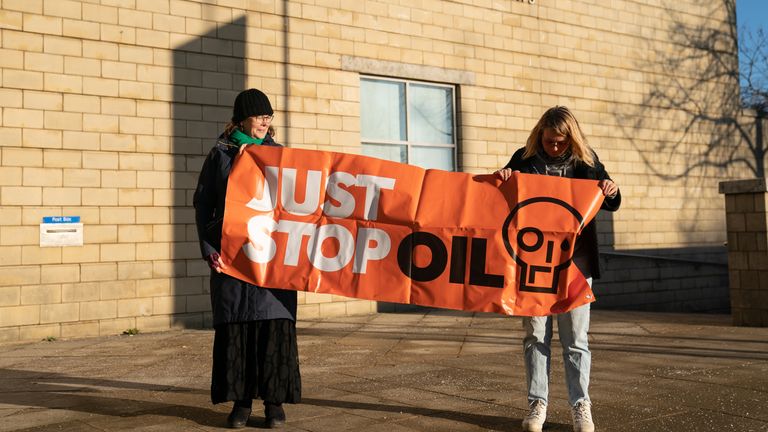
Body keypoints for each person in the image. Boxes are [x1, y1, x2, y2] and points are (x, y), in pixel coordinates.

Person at [495, 106, 621, 432]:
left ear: (571, 139)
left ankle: (581, 406)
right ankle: (538, 404)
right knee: (535, 335)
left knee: (576, 339)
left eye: (560, 143)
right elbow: (498, 195)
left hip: (575, 263)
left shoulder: (587, 161)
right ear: (540, 135)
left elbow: (610, 199)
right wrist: (504, 176)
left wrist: (612, 189)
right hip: (532, 262)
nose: (553, 147)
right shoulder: (524, 158)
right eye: (549, 141)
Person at [194, 88, 301, 429]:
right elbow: (203, 204)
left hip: (272, 261)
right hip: (233, 260)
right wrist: (210, 249)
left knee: (273, 327)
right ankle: (241, 403)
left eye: (269, 116)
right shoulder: (220, 155)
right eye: (259, 116)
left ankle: (274, 403)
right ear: (242, 119)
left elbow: (298, 205)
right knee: (238, 329)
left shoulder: (282, 156)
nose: (265, 121)